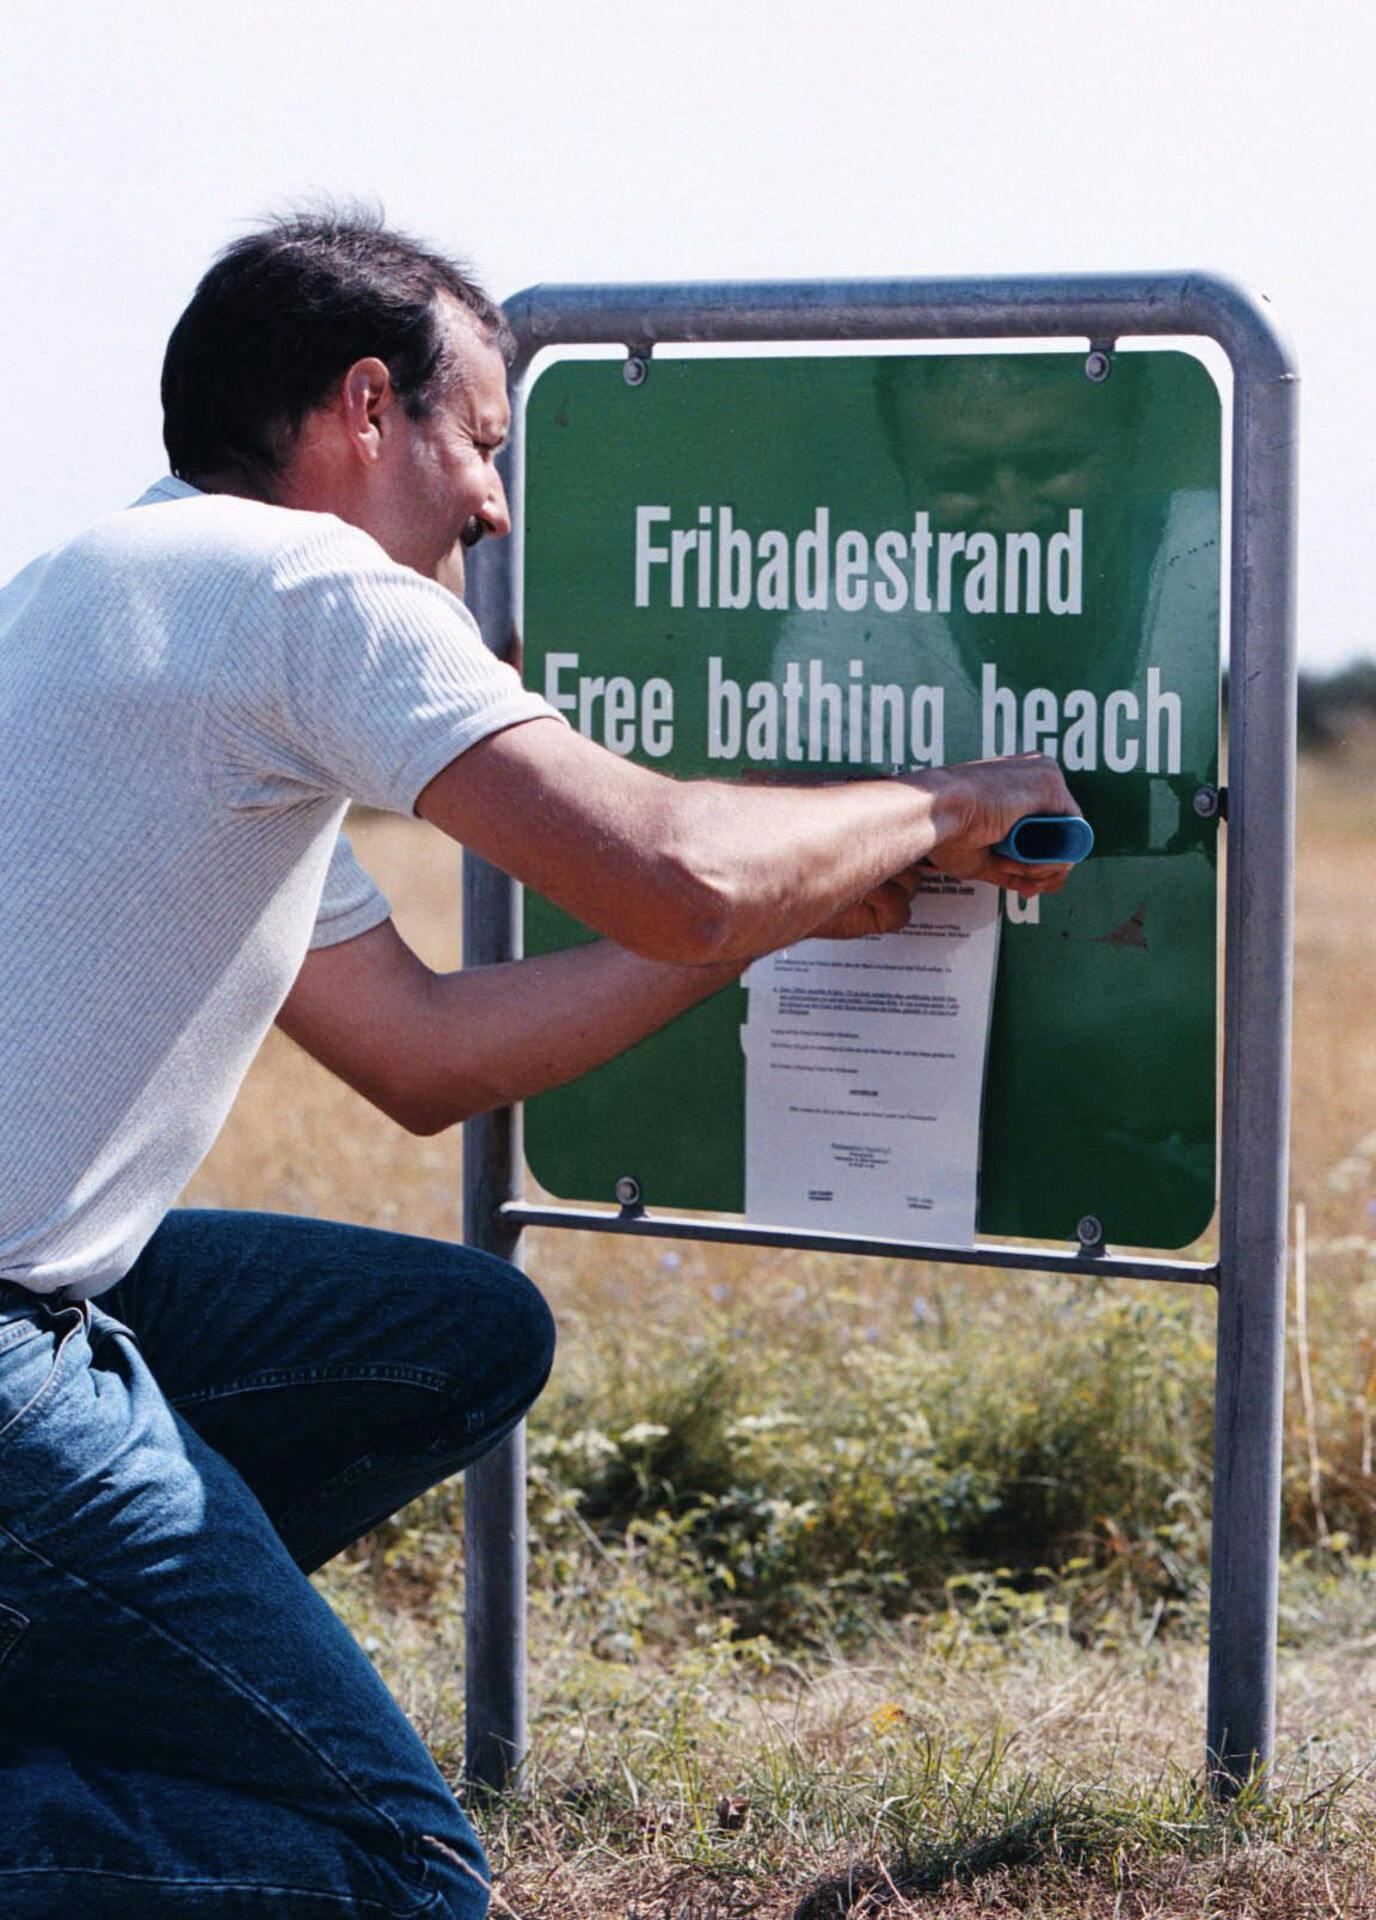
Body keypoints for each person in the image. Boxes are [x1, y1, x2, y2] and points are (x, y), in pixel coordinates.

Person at [0, 210, 1079, 1918]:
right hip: (7, 1342)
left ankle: (78, 1668)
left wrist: (772, 923)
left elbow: (423, 1052)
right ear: (370, 410)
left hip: (54, 1299)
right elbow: (675, 870)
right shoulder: (308, 586)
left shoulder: (115, 591)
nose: (497, 509)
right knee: (397, 1873)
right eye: (485, 444)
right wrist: (949, 807)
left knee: (459, 1333)